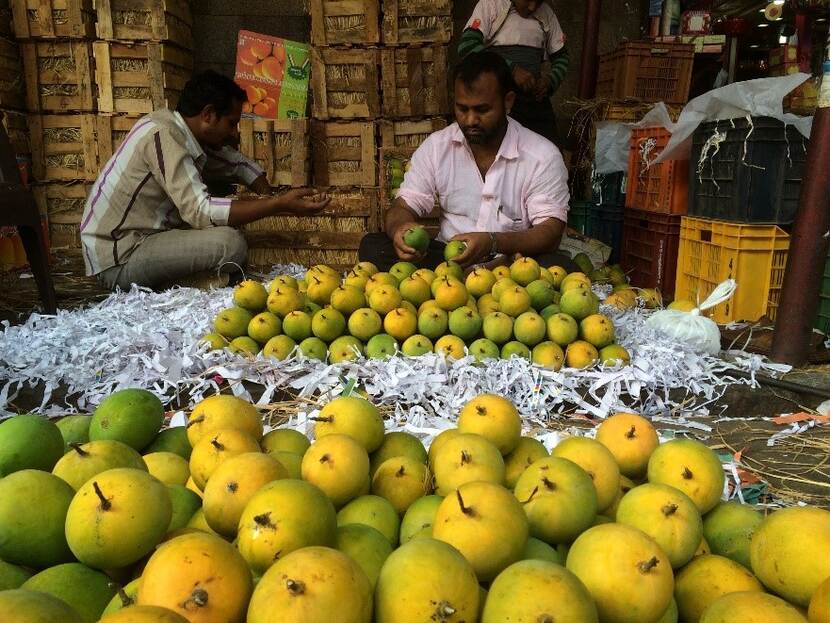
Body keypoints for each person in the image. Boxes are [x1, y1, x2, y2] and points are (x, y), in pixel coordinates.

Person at [80, 70, 329, 291]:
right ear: (208, 114)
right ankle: (179, 287)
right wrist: (278, 205)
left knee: (227, 232)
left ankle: (195, 280)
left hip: (141, 241)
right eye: (231, 124)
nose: (234, 133)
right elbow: (200, 211)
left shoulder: (179, 131)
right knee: (230, 244)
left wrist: (267, 194)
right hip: (120, 256)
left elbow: (233, 164)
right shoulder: (164, 135)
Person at [359, 51, 575, 273]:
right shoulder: (437, 147)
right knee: (374, 246)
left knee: (561, 267)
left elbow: (551, 231)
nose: (471, 120)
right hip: (448, 264)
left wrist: (493, 242)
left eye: (482, 109)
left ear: (508, 101)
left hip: (511, 264)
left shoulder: (542, 155)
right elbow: (402, 206)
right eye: (462, 109)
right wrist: (400, 229)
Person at [457, 0, 569, 144]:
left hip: (534, 101)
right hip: (498, 100)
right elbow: (467, 46)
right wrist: (513, 70)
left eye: (539, 1)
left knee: (549, 146)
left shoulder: (547, 14)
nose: (532, 7)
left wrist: (550, 81)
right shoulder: (491, 5)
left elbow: (562, 57)